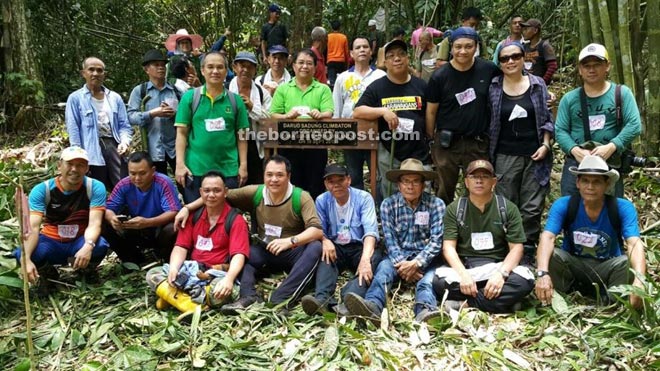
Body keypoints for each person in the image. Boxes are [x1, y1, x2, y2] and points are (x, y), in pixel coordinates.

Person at [175, 155, 323, 313]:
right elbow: (217, 194)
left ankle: (282, 299)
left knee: (315, 247)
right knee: (242, 253)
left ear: (288, 176)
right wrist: (187, 208)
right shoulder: (256, 192)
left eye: (279, 175)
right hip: (265, 249)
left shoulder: (300, 197)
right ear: (264, 175)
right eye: (269, 174)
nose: (274, 179)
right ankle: (248, 296)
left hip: (293, 251)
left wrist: (290, 241)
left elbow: (316, 229)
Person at [535, 155, 646, 309]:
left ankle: (612, 302)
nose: (590, 187)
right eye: (585, 181)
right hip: (574, 264)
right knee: (552, 255)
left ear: (607, 184)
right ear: (578, 183)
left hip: (608, 265)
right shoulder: (564, 204)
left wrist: (639, 281)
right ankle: (560, 295)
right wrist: (542, 273)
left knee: (626, 263)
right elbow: (548, 237)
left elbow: (634, 242)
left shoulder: (622, 207)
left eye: (597, 182)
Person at [344, 159, 445, 324]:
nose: (410, 186)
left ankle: (425, 312)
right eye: (406, 181)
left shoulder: (436, 205)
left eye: (415, 182)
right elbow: (390, 241)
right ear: (399, 185)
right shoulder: (388, 205)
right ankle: (372, 307)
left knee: (427, 282)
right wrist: (404, 266)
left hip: (426, 257)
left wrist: (417, 264)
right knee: (383, 272)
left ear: (423, 184)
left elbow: (436, 241)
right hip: (398, 257)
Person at [433, 160, 534, 313]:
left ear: (494, 181)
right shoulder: (455, 208)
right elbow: (448, 248)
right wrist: (463, 275)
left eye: (485, 176)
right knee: (439, 282)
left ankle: (463, 305)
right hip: (467, 267)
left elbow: (517, 248)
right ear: (466, 182)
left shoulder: (507, 208)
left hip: (497, 266)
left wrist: (501, 275)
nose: (479, 180)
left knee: (525, 281)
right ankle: (503, 302)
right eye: (474, 176)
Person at [488, 41, 554, 262]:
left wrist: (546, 144)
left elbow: (547, 118)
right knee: (506, 203)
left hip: (535, 154)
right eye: (505, 58)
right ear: (499, 62)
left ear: (523, 58)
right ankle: (506, 248)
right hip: (505, 154)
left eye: (515, 56)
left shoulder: (537, 85)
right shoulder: (494, 87)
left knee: (532, 206)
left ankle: (526, 251)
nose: (510, 61)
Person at [146, 170, 249, 312]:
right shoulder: (193, 217)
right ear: (200, 192)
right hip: (191, 270)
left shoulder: (235, 220)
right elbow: (181, 246)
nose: (211, 195)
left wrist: (229, 279)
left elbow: (239, 254)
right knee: (153, 274)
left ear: (225, 192)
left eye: (216, 191)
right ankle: (189, 305)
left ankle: (172, 296)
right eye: (206, 190)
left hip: (215, 274)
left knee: (225, 292)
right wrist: (175, 268)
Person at [14, 147, 109, 290]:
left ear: (87, 168)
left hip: (79, 240)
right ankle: (48, 275)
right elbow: (33, 228)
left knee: (99, 246)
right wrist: (25, 259)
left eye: (80, 165)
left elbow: (95, 223)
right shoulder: (42, 190)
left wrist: (88, 246)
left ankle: (84, 270)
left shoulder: (95, 187)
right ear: (59, 166)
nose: (74, 169)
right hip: (51, 241)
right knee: (22, 252)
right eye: (69, 164)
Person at [425, 27, 501, 204]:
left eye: (468, 46)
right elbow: (431, 111)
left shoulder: (488, 70)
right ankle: (445, 227)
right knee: (443, 188)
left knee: (478, 188)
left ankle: (473, 226)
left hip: (477, 142)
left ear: (476, 47)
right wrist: (432, 139)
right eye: (458, 46)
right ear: (451, 48)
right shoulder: (440, 76)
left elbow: (510, 84)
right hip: (447, 143)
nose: (463, 51)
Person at [555, 43, 641, 197]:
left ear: (607, 66)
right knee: (571, 209)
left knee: (611, 211)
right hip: (577, 162)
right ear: (580, 70)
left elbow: (634, 125)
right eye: (586, 66)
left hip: (609, 161)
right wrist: (575, 151)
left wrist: (612, 146)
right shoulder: (570, 99)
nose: (591, 69)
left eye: (597, 65)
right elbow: (560, 130)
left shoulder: (621, 94)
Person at [300, 164, 382, 316]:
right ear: (326, 184)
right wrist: (325, 240)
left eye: (341, 180)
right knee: (325, 256)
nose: (336, 185)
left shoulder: (364, 198)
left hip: (359, 246)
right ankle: (322, 300)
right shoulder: (322, 201)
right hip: (336, 245)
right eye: (331, 181)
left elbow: (371, 231)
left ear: (349, 180)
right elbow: (319, 229)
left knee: (374, 259)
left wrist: (365, 259)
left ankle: (349, 299)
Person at [353, 40, 429, 200]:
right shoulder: (377, 87)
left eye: (401, 54)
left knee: (422, 193)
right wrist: (382, 111)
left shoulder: (421, 85)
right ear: (385, 62)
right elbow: (358, 111)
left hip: (419, 150)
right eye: (391, 56)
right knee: (391, 193)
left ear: (408, 59)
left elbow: (430, 114)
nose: (397, 59)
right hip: (390, 149)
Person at [174, 52, 250, 203]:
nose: (215, 71)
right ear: (202, 70)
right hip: (195, 169)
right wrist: (180, 165)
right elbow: (181, 133)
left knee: (227, 217)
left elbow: (242, 136)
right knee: (196, 217)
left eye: (220, 67)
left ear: (226, 71)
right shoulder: (190, 98)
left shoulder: (235, 101)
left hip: (228, 170)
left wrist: (243, 166)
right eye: (210, 67)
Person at [269, 49, 334, 199]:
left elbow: (328, 112)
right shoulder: (283, 89)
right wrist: (286, 116)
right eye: (301, 63)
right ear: (293, 66)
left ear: (315, 67)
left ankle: (315, 220)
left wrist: (320, 114)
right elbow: (273, 114)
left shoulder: (323, 89)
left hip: (316, 145)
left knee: (315, 184)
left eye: (309, 63)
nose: (305, 66)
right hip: (288, 145)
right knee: (292, 185)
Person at [65, 57, 132, 191]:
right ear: (83, 73)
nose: (95, 73)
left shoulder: (114, 98)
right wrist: (78, 154)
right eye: (91, 69)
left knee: (121, 184)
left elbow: (124, 125)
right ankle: (95, 211)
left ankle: (123, 211)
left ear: (104, 74)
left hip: (113, 145)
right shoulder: (75, 98)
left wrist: (125, 142)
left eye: (99, 70)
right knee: (94, 187)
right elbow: (73, 128)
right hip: (89, 147)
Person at [103, 152, 181, 264]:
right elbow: (108, 208)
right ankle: (132, 261)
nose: (137, 178)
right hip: (136, 229)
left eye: (142, 173)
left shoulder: (163, 182)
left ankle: (167, 259)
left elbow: (173, 211)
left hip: (159, 228)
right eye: (132, 173)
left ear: (153, 171)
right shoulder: (124, 184)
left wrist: (148, 222)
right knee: (104, 224)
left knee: (174, 228)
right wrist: (112, 219)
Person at [332, 36, 386, 190]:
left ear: (371, 51)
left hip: (376, 134)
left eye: (365, 47)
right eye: (357, 47)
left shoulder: (381, 77)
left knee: (378, 176)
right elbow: (337, 108)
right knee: (353, 176)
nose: (362, 50)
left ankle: (379, 211)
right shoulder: (342, 78)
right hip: (350, 135)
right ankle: (356, 211)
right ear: (351, 53)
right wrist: (337, 136)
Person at [127, 49, 181, 175]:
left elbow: (187, 117)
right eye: (156, 65)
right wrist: (152, 113)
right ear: (146, 69)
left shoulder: (176, 91)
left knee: (184, 183)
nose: (161, 68)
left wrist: (175, 115)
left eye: (163, 65)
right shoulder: (140, 91)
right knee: (158, 185)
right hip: (151, 148)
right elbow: (130, 117)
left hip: (175, 147)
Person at [230, 51, 272, 186]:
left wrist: (251, 106)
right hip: (230, 145)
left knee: (255, 185)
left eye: (250, 67)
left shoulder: (261, 92)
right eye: (242, 65)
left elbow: (270, 119)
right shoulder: (225, 91)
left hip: (255, 144)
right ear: (234, 67)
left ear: (255, 70)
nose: (245, 70)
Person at [520, 19, 557, 85]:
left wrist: (542, 82)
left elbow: (552, 66)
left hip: (538, 85)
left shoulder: (544, 46)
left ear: (535, 30)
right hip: (525, 84)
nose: (523, 32)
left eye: (526, 29)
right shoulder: (524, 47)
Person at [326, 20, 349, 88]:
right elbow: (346, 52)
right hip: (341, 61)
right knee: (341, 80)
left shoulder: (328, 37)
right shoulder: (343, 37)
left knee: (331, 81)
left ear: (332, 28)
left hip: (331, 61)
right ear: (340, 28)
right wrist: (347, 64)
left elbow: (325, 50)